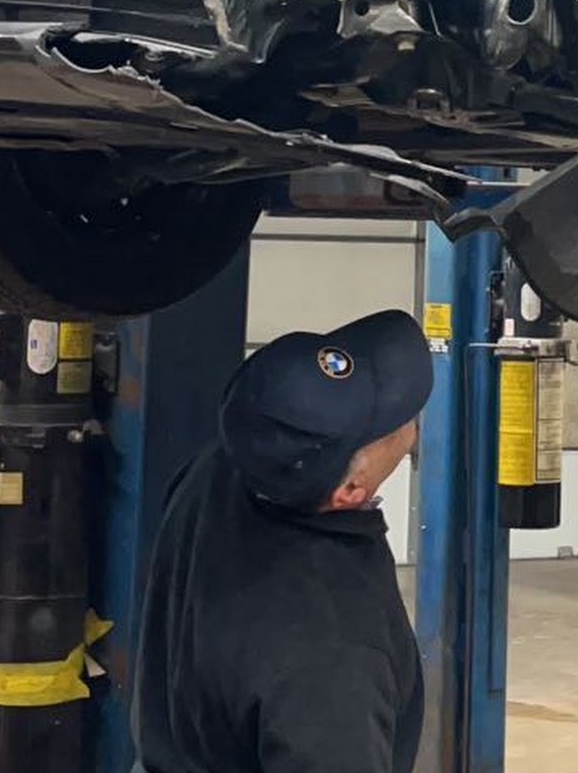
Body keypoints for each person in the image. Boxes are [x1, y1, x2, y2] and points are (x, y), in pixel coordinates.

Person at [132, 308, 434, 773]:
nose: (412, 421)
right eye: (401, 418)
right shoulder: (332, 661)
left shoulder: (217, 473)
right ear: (349, 491)